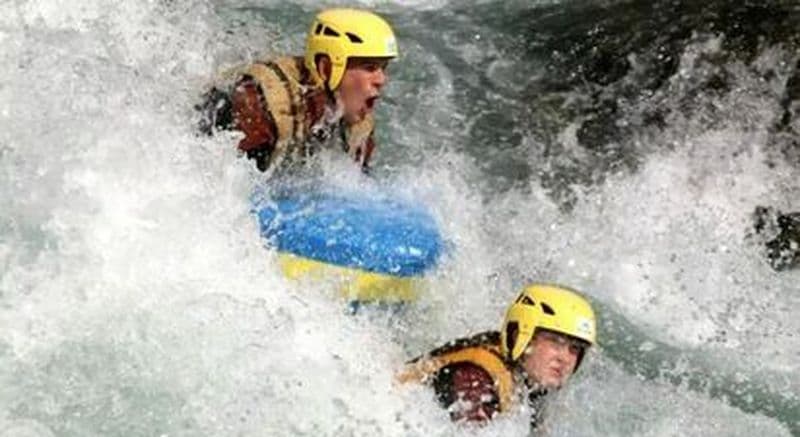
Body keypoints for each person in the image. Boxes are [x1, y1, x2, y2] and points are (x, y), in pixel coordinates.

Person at [197, 8, 398, 172]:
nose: (381, 79)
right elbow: (217, 184)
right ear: (327, 69)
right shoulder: (258, 107)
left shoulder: (357, 117)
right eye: (370, 67)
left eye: (383, 68)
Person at [396, 283, 597, 430]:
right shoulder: (476, 379)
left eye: (574, 349)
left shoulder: (532, 383)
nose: (565, 358)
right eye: (555, 342)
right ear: (522, 336)